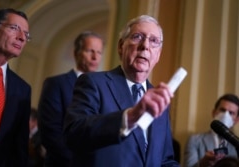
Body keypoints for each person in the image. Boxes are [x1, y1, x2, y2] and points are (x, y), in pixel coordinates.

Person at [64, 15, 179, 167]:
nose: (145, 46)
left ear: (158, 55)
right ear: (121, 46)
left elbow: (165, 160)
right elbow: (74, 133)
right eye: (137, 37)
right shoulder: (94, 83)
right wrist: (130, 117)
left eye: (154, 41)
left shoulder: (159, 99)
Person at [38, 31, 104, 167]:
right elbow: (50, 132)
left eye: (99, 52)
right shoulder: (56, 84)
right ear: (76, 53)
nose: (95, 57)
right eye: (89, 51)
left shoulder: (104, 88)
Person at [0, 8, 31, 167]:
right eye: (14, 28)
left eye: (26, 35)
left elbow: (19, 147)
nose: (21, 38)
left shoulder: (23, 89)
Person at [184, 94, 239, 167]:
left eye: (231, 113)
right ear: (213, 112)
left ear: (236, 120)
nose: (225, 115)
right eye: (222, 110)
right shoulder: (195, 140)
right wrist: (202, 163)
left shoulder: (237, 144)